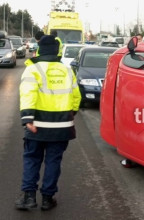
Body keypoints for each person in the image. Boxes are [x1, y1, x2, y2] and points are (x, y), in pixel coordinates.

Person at [15, 35, 81, 211]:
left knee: (32, 159)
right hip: (62, 126)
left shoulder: (33, 69)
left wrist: (27, 118)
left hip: (37, 125)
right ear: (56, 51)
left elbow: (28, 93)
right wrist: (70, 112)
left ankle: (28, 197)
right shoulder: (67, 70)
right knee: (53, 161)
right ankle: (47, 198)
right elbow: (76, 96)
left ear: (39, 50)